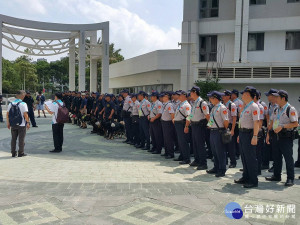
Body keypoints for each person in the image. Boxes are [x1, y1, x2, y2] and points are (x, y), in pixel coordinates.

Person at [265, 90, 298, 187]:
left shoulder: (290, 109)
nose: (275, 99)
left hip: (286, 137)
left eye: (277, 97)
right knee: (276, 157)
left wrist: (282, 126)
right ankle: (276, 175)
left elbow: (295, 123)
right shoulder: (276, 109)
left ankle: (290, 178)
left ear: (283, 98)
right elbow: (271, 122)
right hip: (276, 136)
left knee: (288, 158)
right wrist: (268, 134)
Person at [234, 86, 260, 188]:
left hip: (249, 134)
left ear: (248, 95)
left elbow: (256, 122)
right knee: (244, 157)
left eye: (244, 94)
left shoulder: (254, 106)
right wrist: (240, 134)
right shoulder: (246, 106)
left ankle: (253, 180)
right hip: (243, 133)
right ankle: (245, 177)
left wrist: (255, 136)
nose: (242, 96)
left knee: (250, 158)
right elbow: (242, 121)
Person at [206, 91, 229, 177]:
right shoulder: (214, 108)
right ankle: (216, 167)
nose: (210, 99)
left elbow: (226, 121)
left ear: (215, 98)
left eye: (211, 98)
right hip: (212, 131)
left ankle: (222, 169)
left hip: (219, 131)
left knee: (220, 151)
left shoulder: (222, 108)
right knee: (214, 151)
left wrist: (223, 130)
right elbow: (211, 119)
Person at [188, 86, 210, 170]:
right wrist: (187, 123)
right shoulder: (194, 103)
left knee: (200, 145)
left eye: (191, 93)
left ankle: (203, 163)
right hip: (193, 125)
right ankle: (197, 160)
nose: (190, 94)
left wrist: (211, 125)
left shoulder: (202, 103)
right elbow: (191, 114)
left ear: (194, 92)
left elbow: (207, 115)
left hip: (200, 126)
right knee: (195, 144)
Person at [6, 90, 30, 157]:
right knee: (21, 139)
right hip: (21, 124)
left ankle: (13, 153)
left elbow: (7, 114)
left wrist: (8, 123)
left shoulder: (11, 104)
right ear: (22, 96)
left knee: (13, 139)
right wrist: (28, 122)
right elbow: (25, 114)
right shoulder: (23, 104)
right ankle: (21, 153)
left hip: (13, 124)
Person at [173, 90, 191, 165]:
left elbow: (189, 116)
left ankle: (186, 158)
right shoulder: (181, 104)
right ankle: (182, 155)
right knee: (180, 141)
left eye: (180, 95)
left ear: (184, 96)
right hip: (178, 124)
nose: (178, 96)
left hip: (182, 124)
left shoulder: (186, 105)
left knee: (184, 141)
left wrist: (186, 126)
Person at [222, 90, 237, 168]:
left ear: (228, 96)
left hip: (230, 126)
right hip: (224, 126)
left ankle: (233, 162)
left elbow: (234, 118)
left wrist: (233, 130)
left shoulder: (232, 105)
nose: (222, 97)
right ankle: (225, 161)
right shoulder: (222, 104)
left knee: (231, 146)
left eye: (224, 95)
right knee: (224, 145)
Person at [161, 92, 176, 159]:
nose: (162, 98)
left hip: (168, 123)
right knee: (165, 138)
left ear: (167, 97)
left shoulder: (169, 105)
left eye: (163, 97)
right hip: (164, 122)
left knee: (169, 138)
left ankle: (170, 153)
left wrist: (173, 122)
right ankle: (167, 152)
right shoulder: (165, 104)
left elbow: (172, 114)